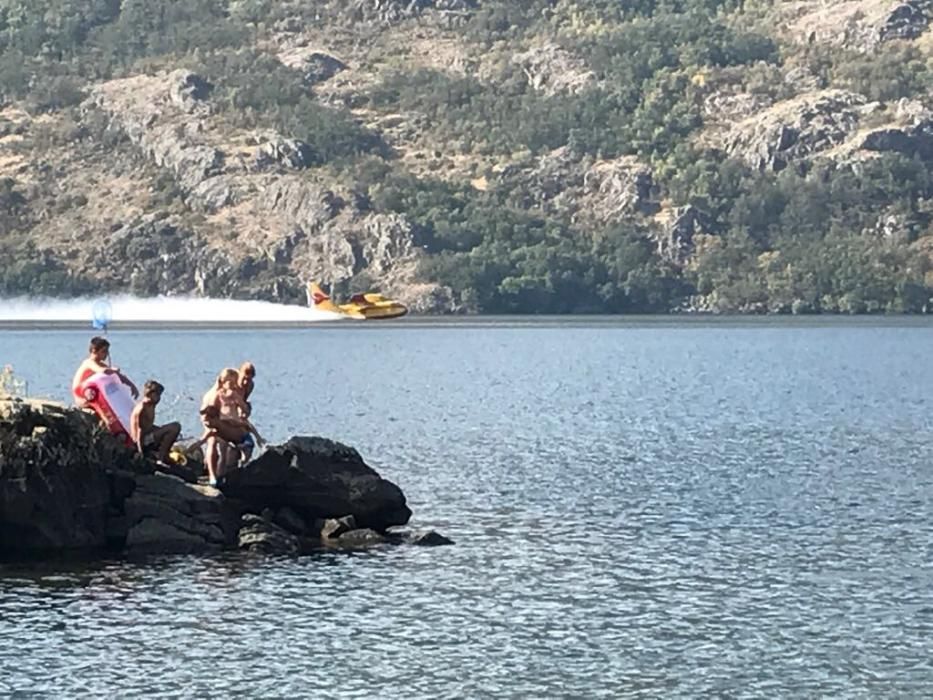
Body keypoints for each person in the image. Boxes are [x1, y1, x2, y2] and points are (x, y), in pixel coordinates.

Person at [71, 336, 138, 405]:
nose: (107, 354)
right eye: (104, 351)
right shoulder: (89, 362)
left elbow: (118, 376)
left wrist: (132, 386)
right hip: (82, 397)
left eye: (107, 351)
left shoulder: (100, 364)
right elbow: (102, 371)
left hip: (91, 395)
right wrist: (112, 370)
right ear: (94, 350)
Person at [130, 380, 181, 465]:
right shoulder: (142, 408)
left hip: (148, 435)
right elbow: (140, 431)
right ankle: (161, 457)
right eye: (157, 395)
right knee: (175, 427)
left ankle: (163, 453)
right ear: (150, 394)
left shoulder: (151, 405)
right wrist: (140, 451)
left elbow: (148, 426)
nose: (159, 398)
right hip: (143, 442)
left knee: (169, 430)